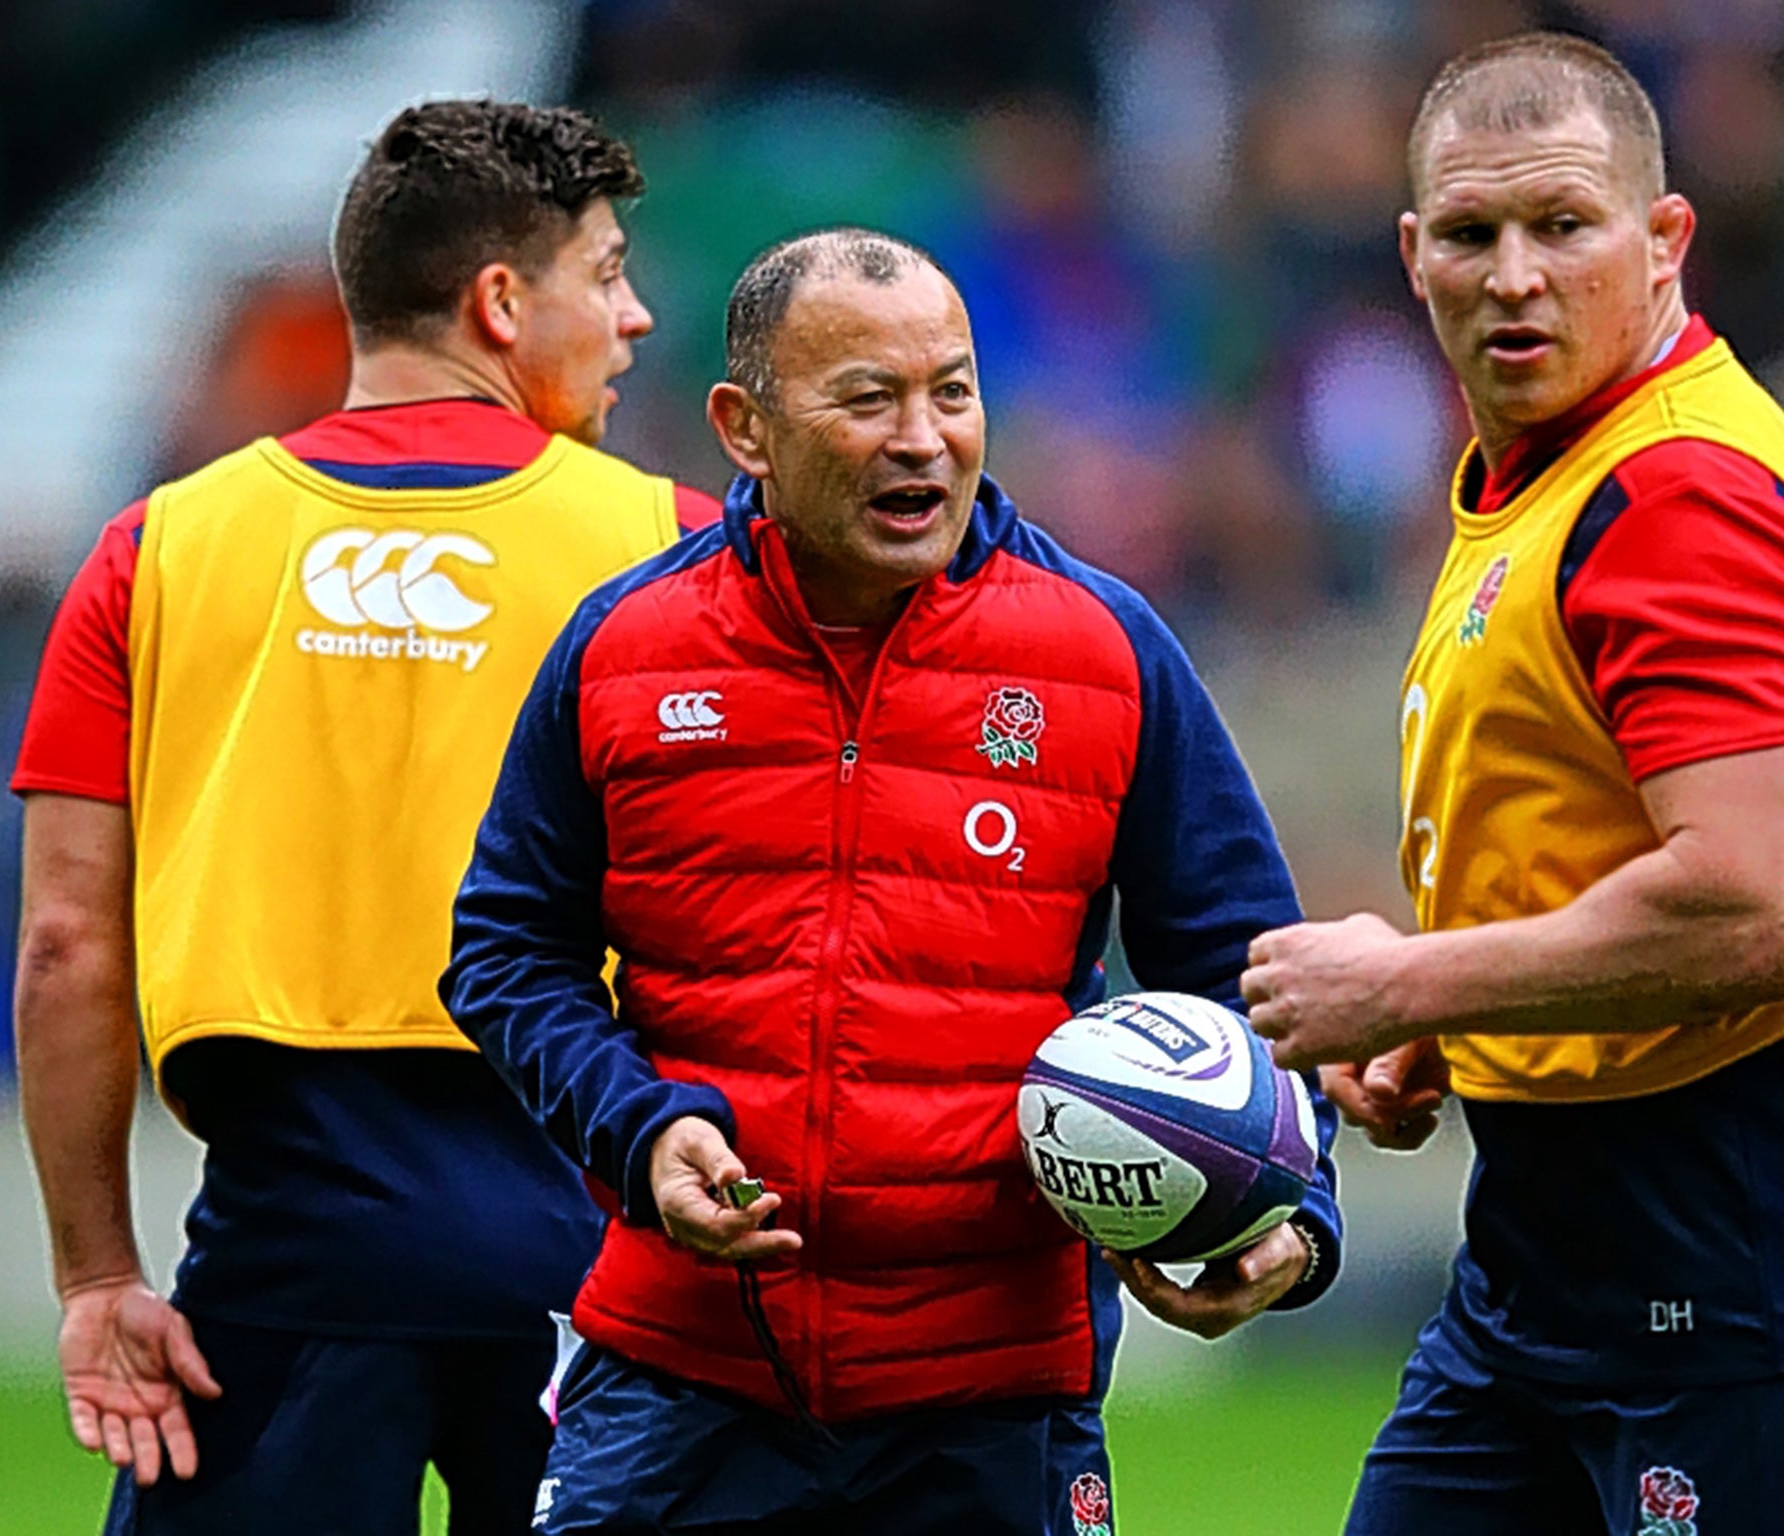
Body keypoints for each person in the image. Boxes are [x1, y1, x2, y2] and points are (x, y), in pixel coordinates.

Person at [440, 227, 1346, 1535]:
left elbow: (1256, 973)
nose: (924, 437)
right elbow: (505, 953)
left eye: (954, 391)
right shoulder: (623, 647)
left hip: (995, 1402)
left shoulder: (1107, 651)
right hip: (680, 1378)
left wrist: (1296, 1211)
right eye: (867, 399)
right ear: (746, 428)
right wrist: (639, 1135)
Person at [1242, 32, 1784, 1536]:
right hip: (1550, 1275)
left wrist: (1414, 988)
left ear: (1663, 240)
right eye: (1471, 233)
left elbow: (1770, 909)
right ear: (1411, 255)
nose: (1515, 274)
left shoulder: (1680, 493)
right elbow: (1586, 837)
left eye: (1563, 227)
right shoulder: (1545, 478)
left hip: (1748, 1268)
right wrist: (1464, 1024)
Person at [11, 99, 720, 1533]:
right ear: (502, 302)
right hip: (596, 1253)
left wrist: (96, 1278)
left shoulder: (155, 555)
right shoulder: (677, 552)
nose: (636, 317)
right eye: (607, 273)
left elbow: (68, 949)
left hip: (287, 1250)